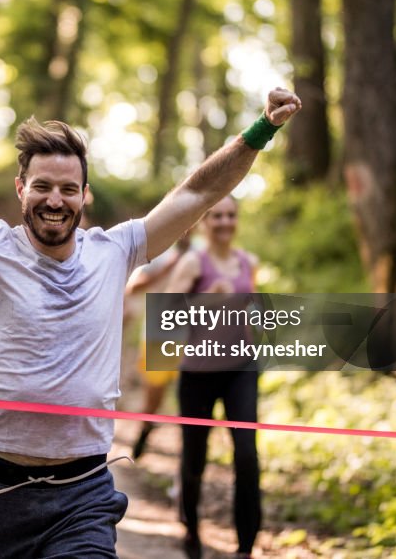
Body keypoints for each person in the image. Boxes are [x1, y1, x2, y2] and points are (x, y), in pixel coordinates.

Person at [0, 78, 299, 558]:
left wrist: (261, 129)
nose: (56, 200)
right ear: (21, 189)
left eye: (69, 189)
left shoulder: (115, 251)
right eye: (43, 187)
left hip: (84, 492)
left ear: (84, 195)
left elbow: (196, 194)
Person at [165, 196, 261, 558]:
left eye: (231, 215)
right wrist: (204, 300)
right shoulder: (193, 262)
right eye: (217, 215)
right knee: (195, 459)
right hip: (198, 375)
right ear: (205, 221)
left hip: (241, 370)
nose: (224, 222)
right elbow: (166, 315)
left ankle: (246, 546)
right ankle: (190, 526)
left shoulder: (247, 262)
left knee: (247, 456)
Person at [125, 230, 192, 460]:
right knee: (154, 399)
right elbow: (133, 287)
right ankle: (145, 430)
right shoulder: (161, 250)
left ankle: (188, 457)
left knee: (192, 402)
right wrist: (169, 266)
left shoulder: (203, 251)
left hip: (194, 338)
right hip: (159, 336)